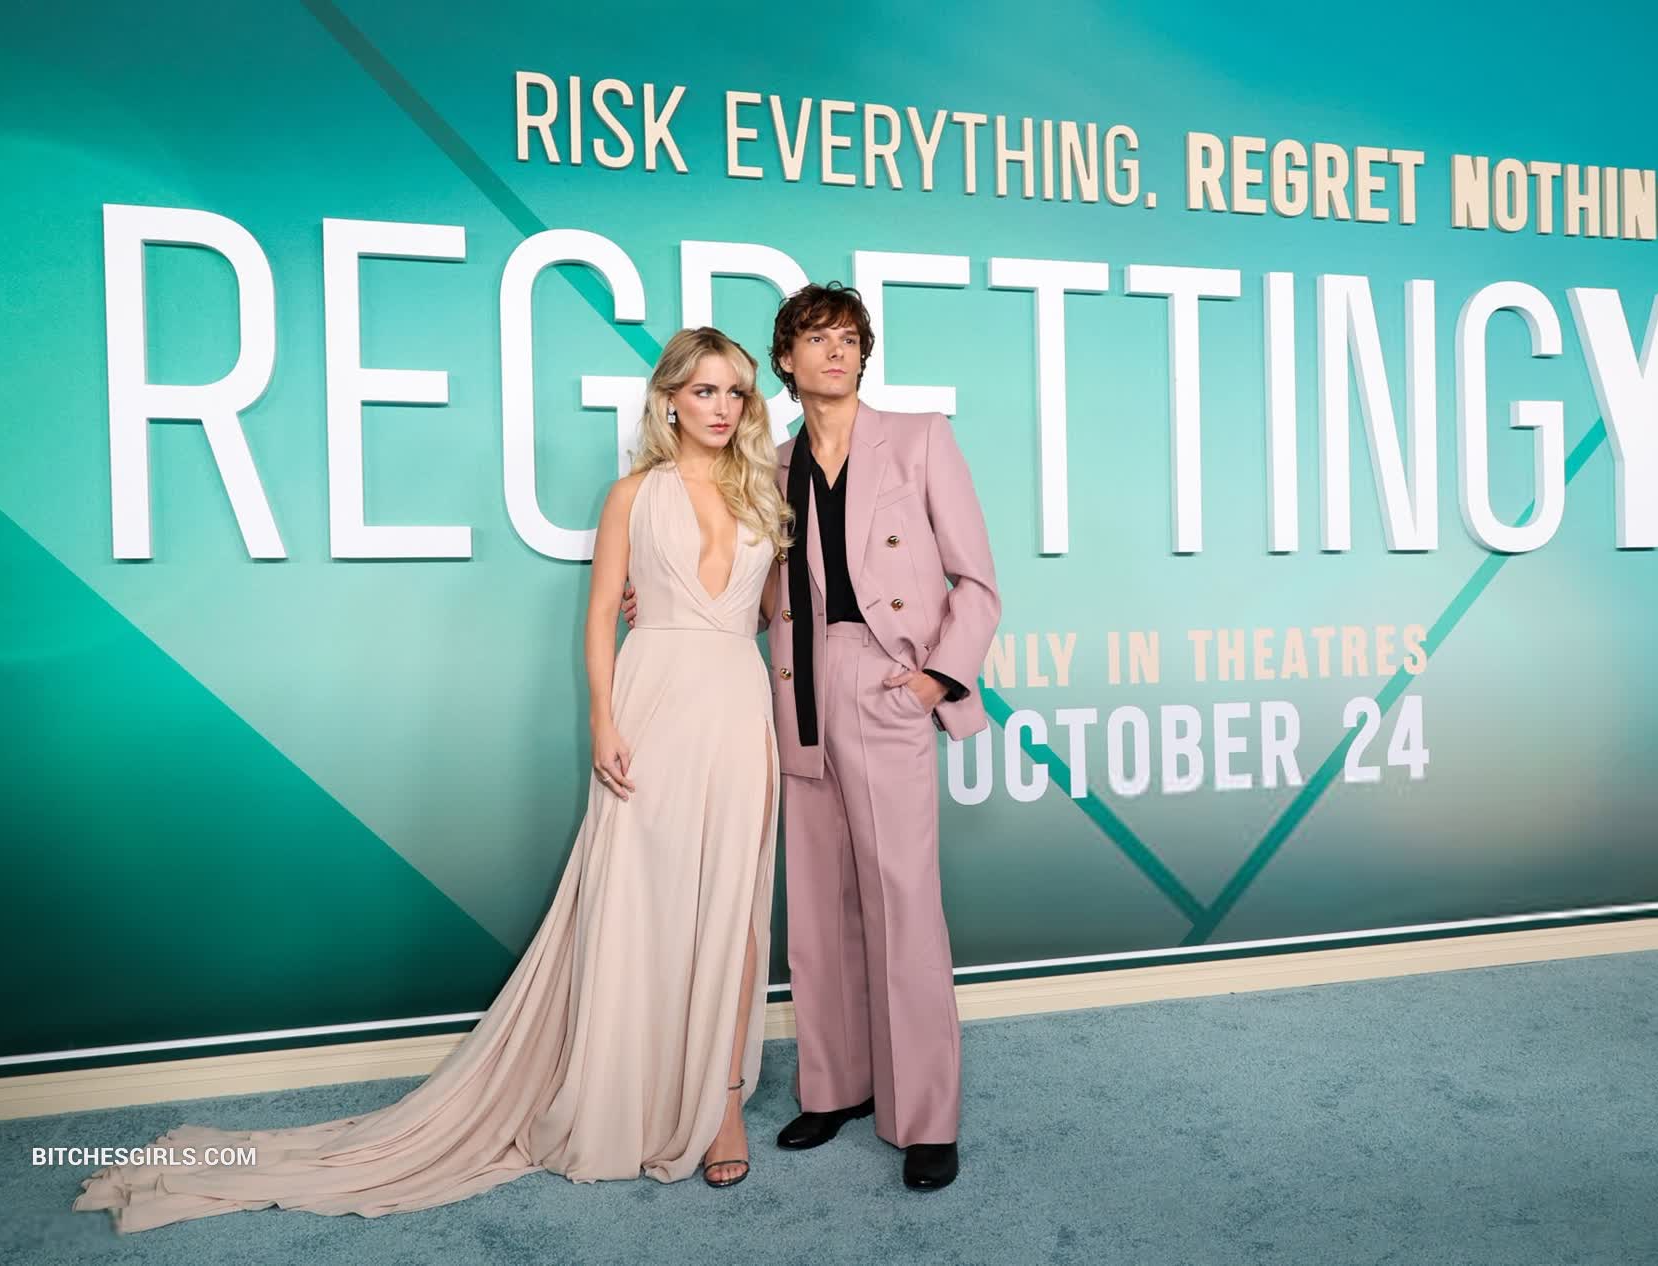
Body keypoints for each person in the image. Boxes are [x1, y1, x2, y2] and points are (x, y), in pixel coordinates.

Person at [74, 327, 792, 1233]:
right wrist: (603, 723)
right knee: (640, 905)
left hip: (737, 709)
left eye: (736, 392)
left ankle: (721, 1106)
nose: (722, 408)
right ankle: (632, 1091)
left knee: (732, 911)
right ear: (670, 402)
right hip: (652, 711)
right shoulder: (632, 495)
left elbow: (767, 613)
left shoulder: (763, 493)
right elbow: (598, 617)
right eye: (704, 391)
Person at [624, 283, 1001, 1190]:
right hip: (794, 689)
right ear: (785, 362)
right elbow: (760, 590)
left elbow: (979, 582)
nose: (837, 352)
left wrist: (935, 679)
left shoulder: (919, 438)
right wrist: (669, 601)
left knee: (902, 901)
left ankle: (925, 1116)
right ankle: (835, 1087)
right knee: (820, 905)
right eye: (817, 339)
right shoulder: (772, 464)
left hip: (886, 682)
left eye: (849, 338)